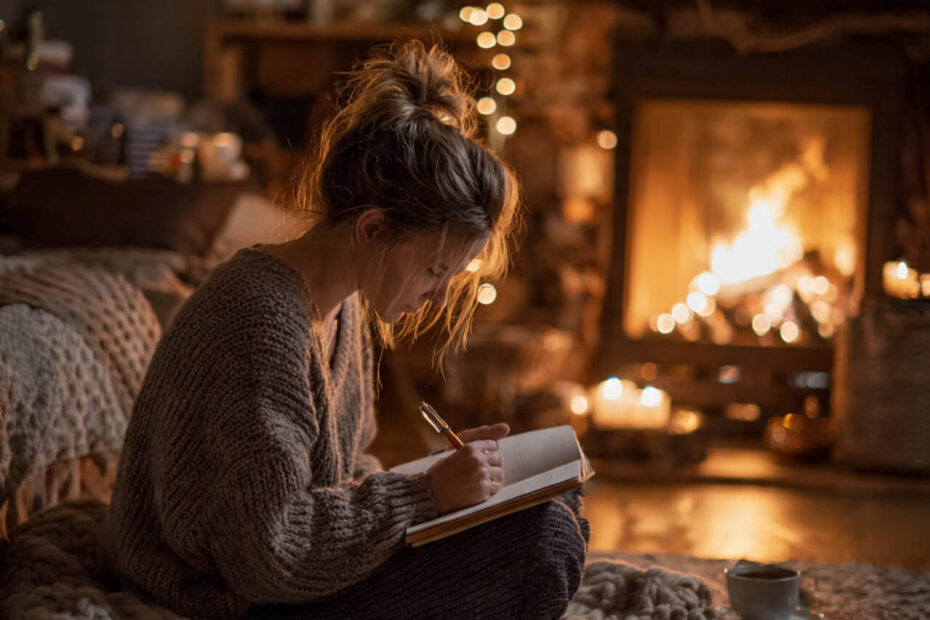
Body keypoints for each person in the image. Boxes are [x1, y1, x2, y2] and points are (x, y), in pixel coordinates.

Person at [97, 40, 588, 620]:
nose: (439, 295)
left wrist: (439, 478)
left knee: (557, 505)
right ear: (374, 229)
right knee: (545, 543)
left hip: (290, 576)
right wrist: (424, 495)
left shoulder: (346, 307)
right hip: (226, 594)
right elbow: (268, 554)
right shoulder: (258, 322)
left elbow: (345, 479)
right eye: (434, 269)